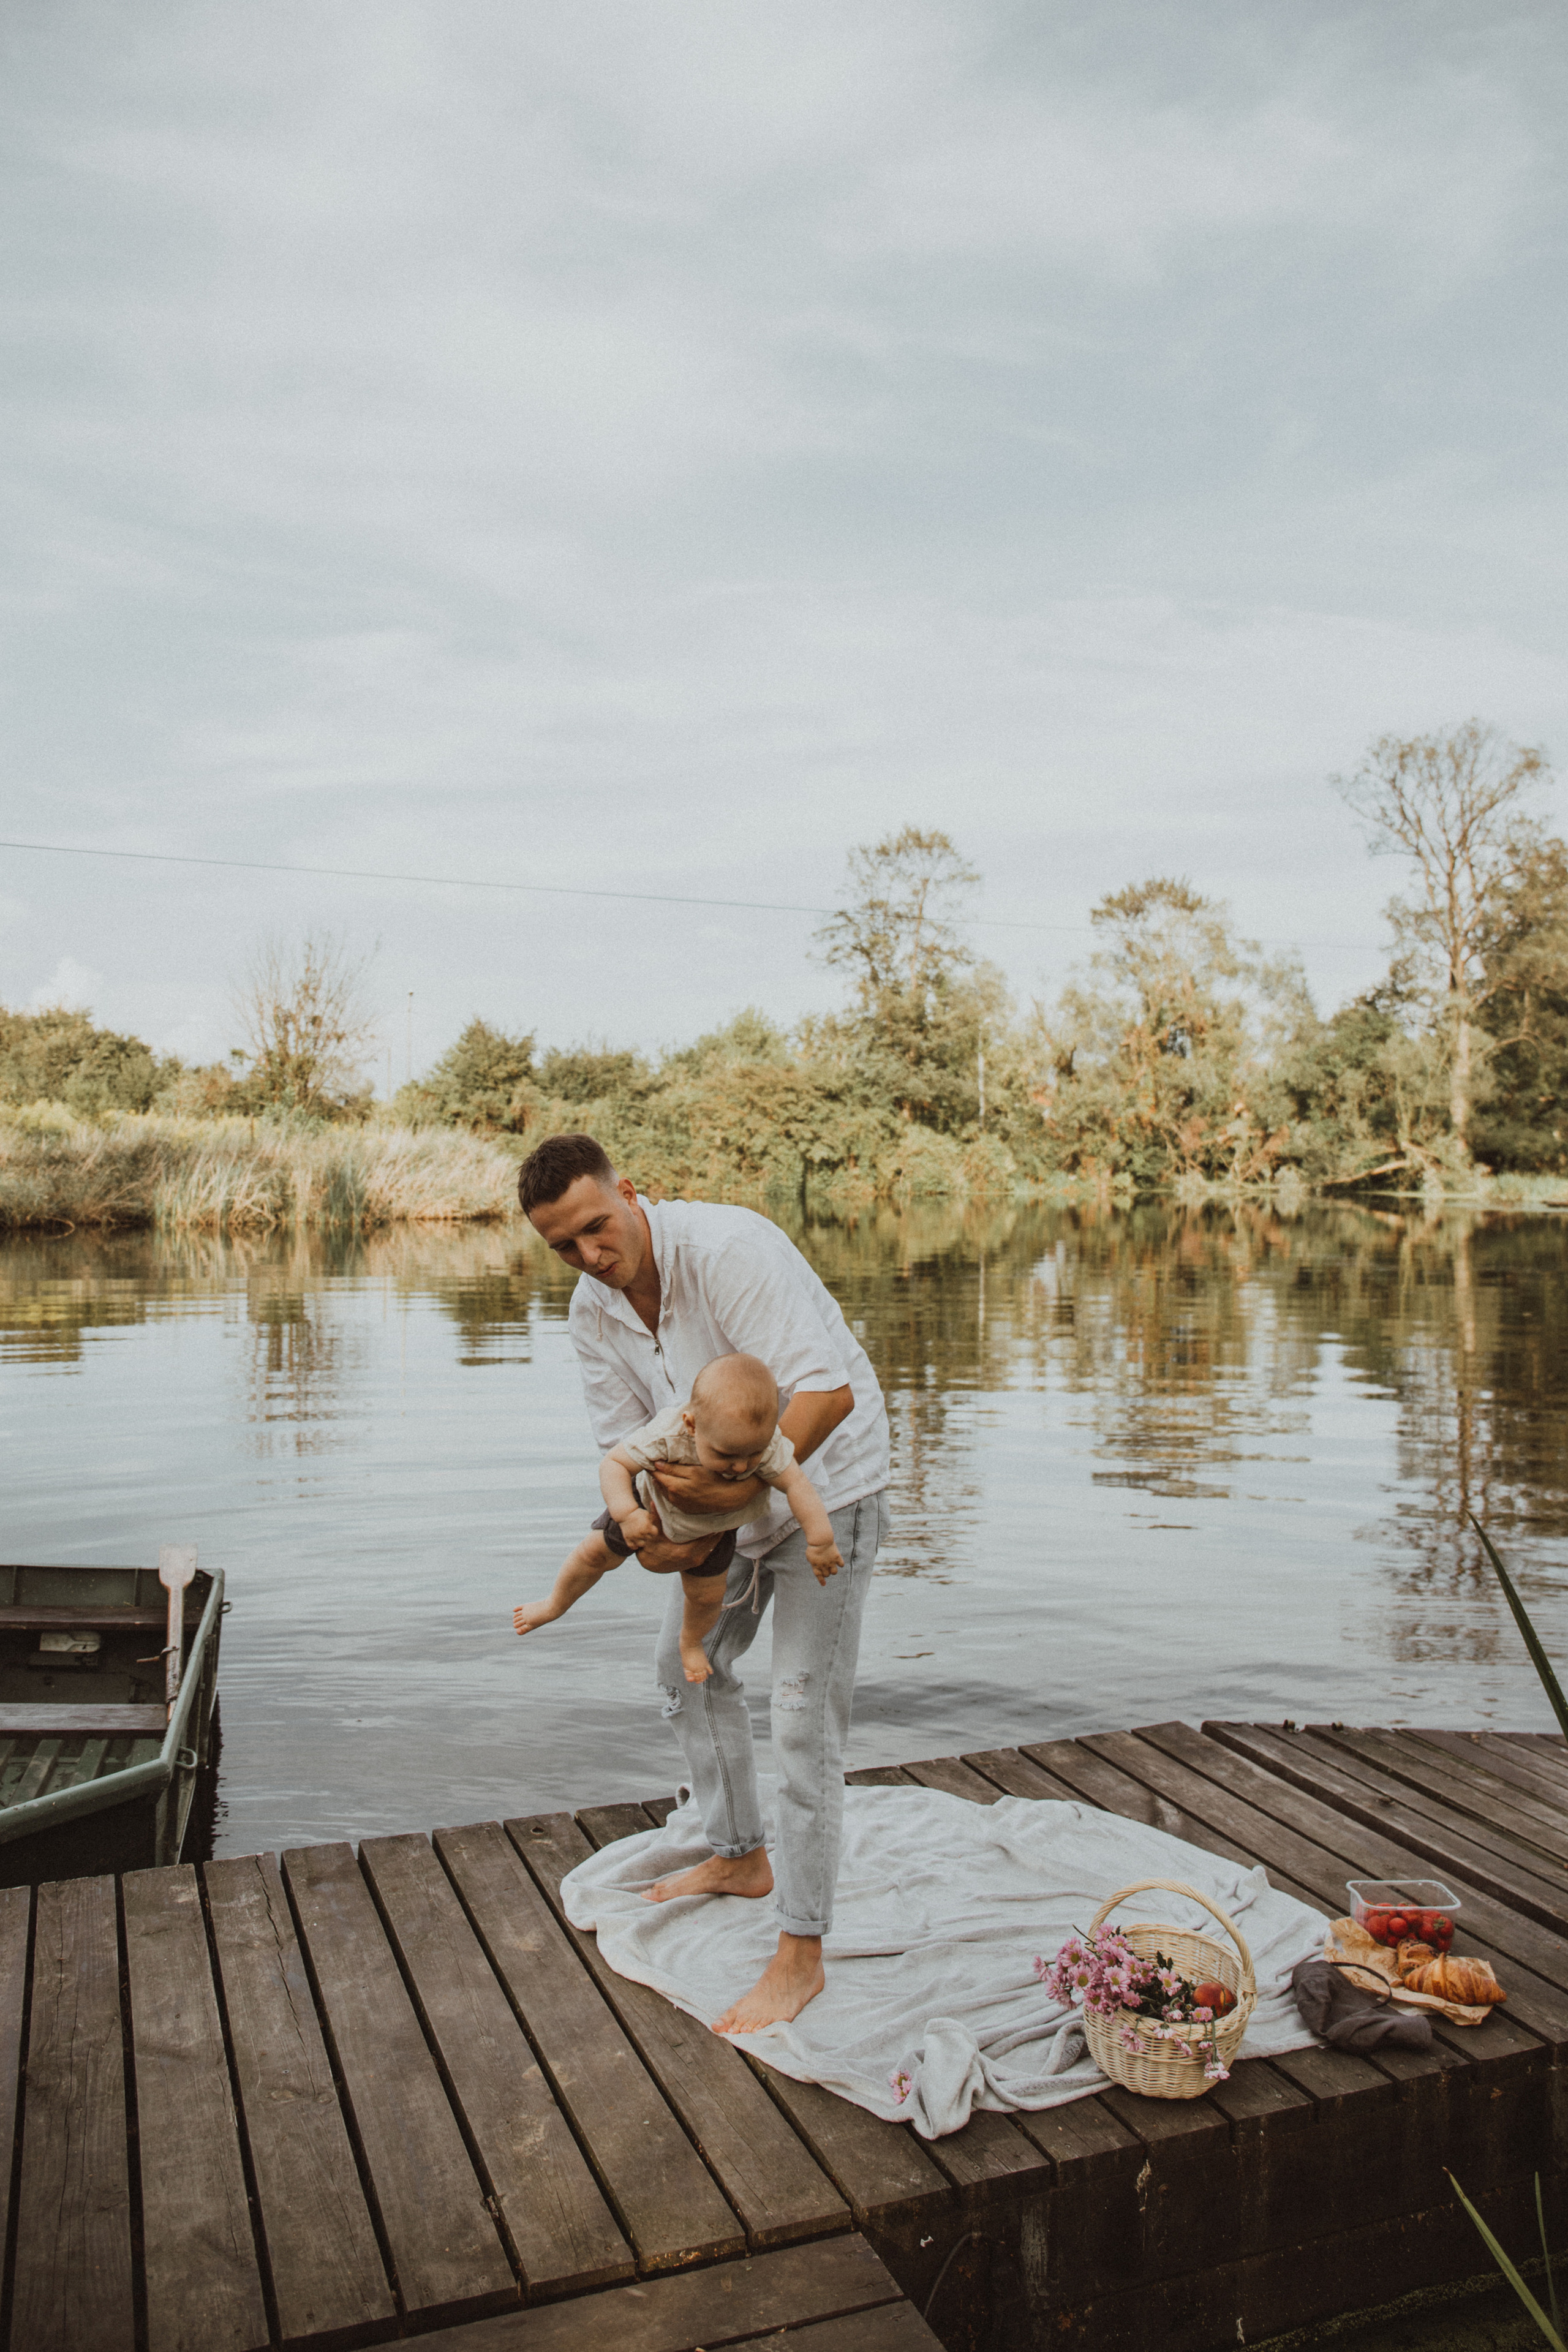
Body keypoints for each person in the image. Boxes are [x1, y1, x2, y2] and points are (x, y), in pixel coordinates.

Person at [518, 1131, 890, 2035]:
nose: (590, 1256)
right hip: (716, 1519)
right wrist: (652, 1535)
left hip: (823, 1501)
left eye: (598, 1229)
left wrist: (720, 1495)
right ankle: (739, 1853)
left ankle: (800, 1955)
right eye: (564, 1246)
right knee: (688, 1674)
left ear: (631, 1192)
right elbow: (626, 1455)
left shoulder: (730, 1250)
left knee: (802, 1718)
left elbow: (827, 1394)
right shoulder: (590, 1313)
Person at [513, 1351, 844, 1683]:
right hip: (646, 1508)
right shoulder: (666, 1435)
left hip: (717, 1529)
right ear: (691, 1425)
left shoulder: (767, 1444)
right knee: (594, 1554)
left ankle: (691, 1641)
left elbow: (798, 1486)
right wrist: (626, 1514)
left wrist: (821, 1540)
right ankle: (555, 1603)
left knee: (708, 1596)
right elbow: (613, 1465)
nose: (742, 1467)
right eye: (726, 1455)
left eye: (753, 1455)